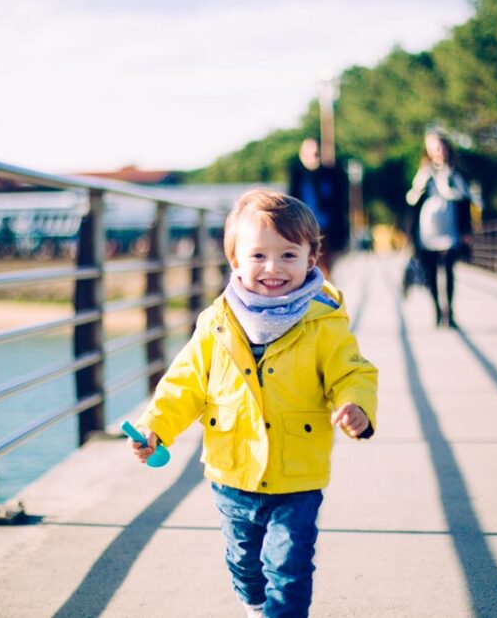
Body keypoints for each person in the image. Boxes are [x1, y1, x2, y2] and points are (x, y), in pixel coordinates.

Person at [128, 188, 378, 618]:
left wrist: (356, 406)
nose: (273, 268)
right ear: (235, 261)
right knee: (245, 564)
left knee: (289, 567)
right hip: (232, 469)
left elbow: (352, 371)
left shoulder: (323, 322)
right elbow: (184, 383)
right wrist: (156, 426)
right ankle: (255, 605)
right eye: (258, 255)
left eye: (288, 255)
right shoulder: (217, 322)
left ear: (311, 258)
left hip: (296, 476)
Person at [404, 131, 473, 327]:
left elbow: (464, 202)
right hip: (427, 232)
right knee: (431, 272)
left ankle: (449, 312)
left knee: (449, 270)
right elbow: (412, 202)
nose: (438, 151)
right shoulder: (423, 174)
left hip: (451, 229)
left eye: (440, 146)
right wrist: (410, 233)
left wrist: (467, 231)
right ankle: (436, 311)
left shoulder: (456, 174)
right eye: (433, 148)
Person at [287, 138, 349, 278]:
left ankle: (325, 298)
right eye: (308, 154)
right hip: (303, 231)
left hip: (326, 231)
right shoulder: (296, 176)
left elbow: (339, 207)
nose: (312, 158)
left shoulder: (331, 175)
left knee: (325, 271)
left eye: (316, 154)